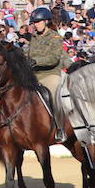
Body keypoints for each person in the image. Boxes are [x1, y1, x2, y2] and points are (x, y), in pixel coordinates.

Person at [22, 7, 66, 142]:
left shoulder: (55, 37)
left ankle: (60, 128)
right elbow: (29, 55)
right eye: (34, 22)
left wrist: (35, 61)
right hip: (34, 75)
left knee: (53, 95)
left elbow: (54, 58)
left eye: (38, 22)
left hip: (50, 74)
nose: (36, 24)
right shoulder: (33, 37)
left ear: (46, 21)